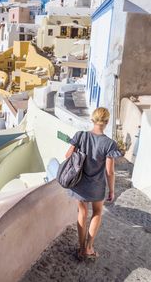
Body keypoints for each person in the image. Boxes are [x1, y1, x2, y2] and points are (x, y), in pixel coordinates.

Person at [65, 107, 121, 260]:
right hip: (97, 185)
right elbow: (110, 171)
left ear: (92, 119)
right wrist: (111, 191)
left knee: (82, 213)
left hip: (80, 183)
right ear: (107, 122)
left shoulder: (80, 136)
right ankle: (89, 247)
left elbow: (68, 155)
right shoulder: (109, 144)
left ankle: (81, 248)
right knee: (97, 212)